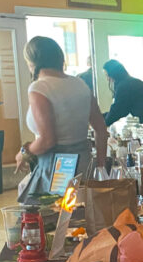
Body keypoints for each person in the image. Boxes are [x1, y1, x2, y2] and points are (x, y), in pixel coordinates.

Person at [17, 36, 107, 200]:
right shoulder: (80, 84)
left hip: (55, 167)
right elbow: (101, 129)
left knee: (53, 218)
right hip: (83, 163)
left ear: (31, 62)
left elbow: (47, 140)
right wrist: (100, 166)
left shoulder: (40, 87)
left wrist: (25, 152)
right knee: (81, 214)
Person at [101, 59, 143, 128]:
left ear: (113, 73)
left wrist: (102, 125)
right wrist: (101, 117)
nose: (107, 79)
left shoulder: (123, 86)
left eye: (107, 75)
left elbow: (117, 110)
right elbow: (120, 109)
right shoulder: (129, 82)